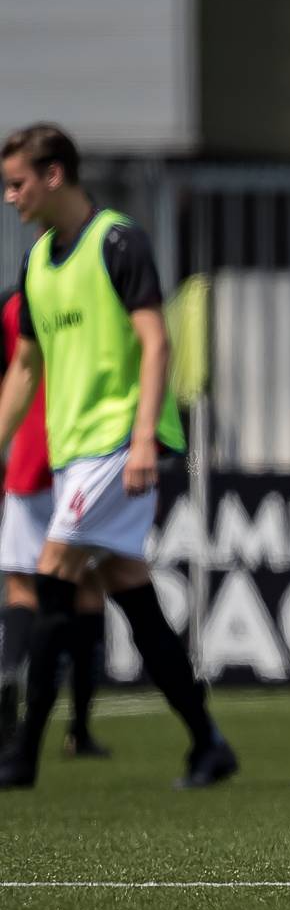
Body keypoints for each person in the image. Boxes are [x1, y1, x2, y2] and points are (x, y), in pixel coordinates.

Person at [0, 123, 239, 789]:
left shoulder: (118, 242)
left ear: (54, 175)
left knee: (53, 574)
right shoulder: (38, 264)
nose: (11, 197)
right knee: (131, 593)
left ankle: (20, 756)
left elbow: (156, 342)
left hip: (117, 445)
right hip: (76, 452)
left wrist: (140, 439)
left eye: (17, 183)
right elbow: (25, 367)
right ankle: (207, 742)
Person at [0, 287, 108, 757]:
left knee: (22, 588)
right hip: (79, 456)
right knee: (87, 588)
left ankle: (8, 679)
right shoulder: (95, 294)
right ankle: (78, 729)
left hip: (25, 455)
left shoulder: (13, 305)